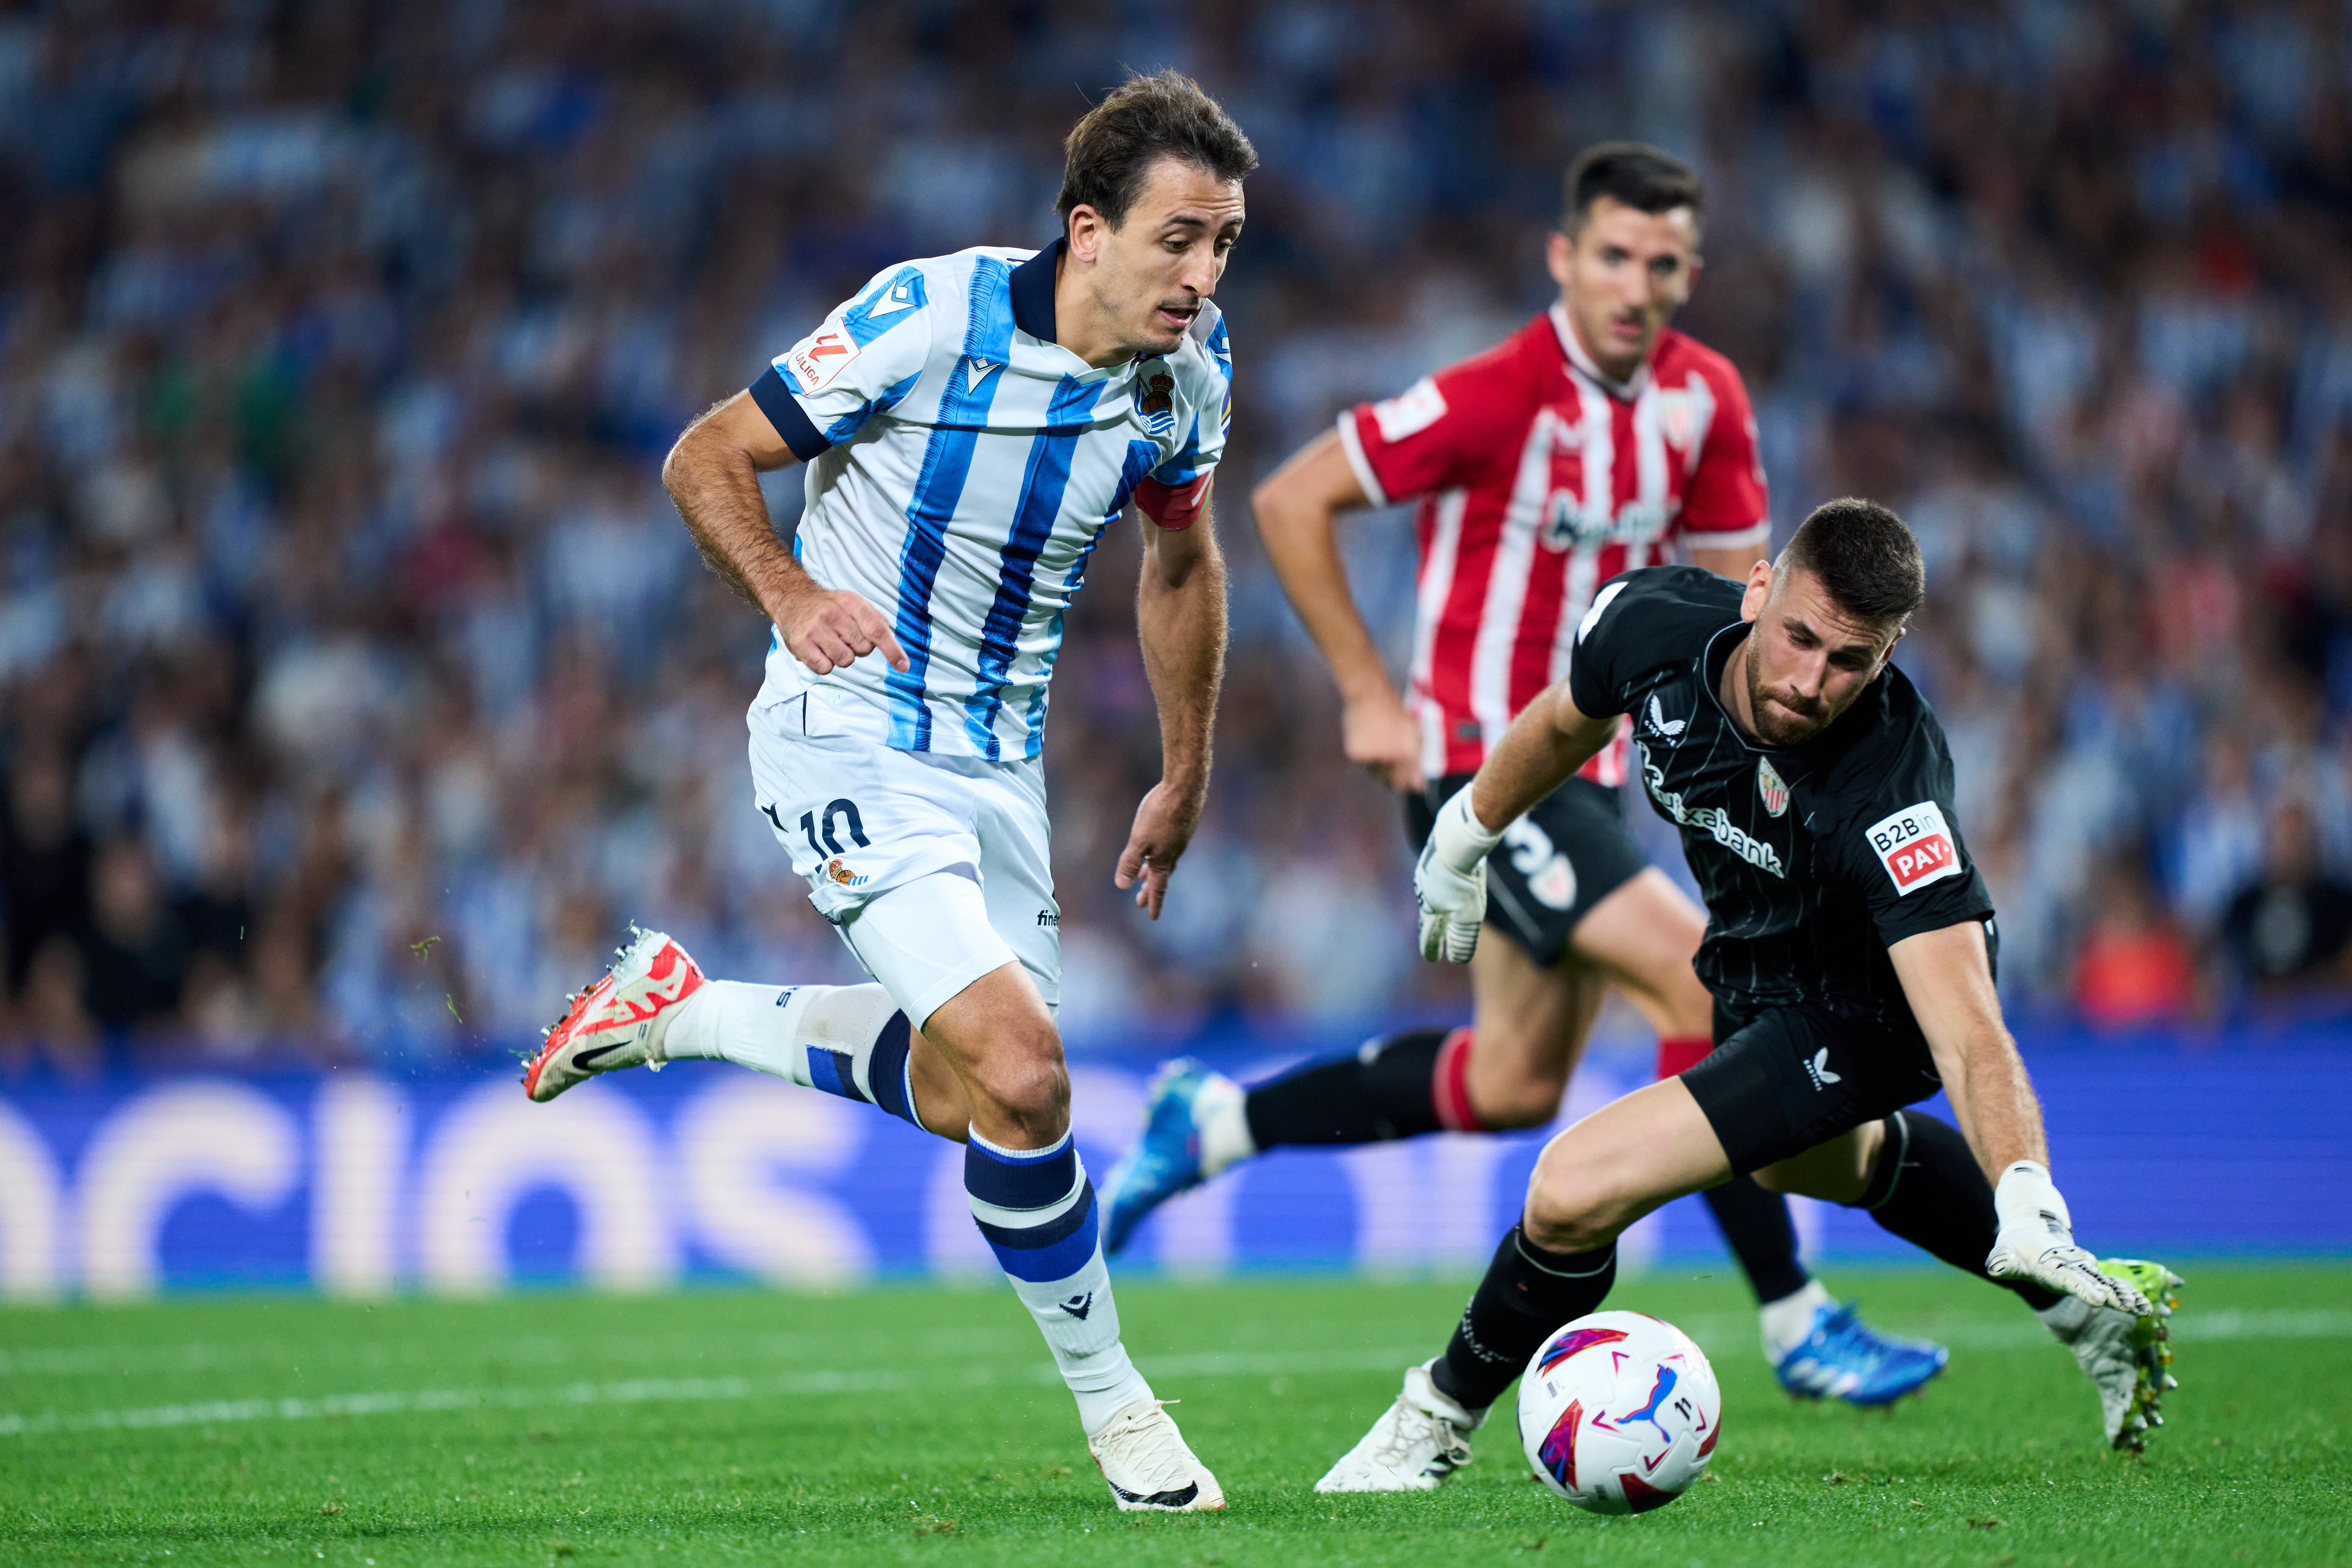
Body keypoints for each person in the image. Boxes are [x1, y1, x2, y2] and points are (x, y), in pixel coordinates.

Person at [1101, 142, 1941, 1405]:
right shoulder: (1498, 393)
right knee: (1690, 978)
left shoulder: (1705, 400)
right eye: (1612, 254)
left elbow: (1733, 608)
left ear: (1688, 274)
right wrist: (1369, 694)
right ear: (1565, 257)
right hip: (1471, 765)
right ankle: (1796, 1313)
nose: (1635, 283)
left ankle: (1212, 1120)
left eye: (1663, 263)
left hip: (1593, 775)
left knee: (1511, 1081)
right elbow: (1290, 498)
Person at [517, 71, 1251, 1513]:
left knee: (973, 1088)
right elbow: (706, 451)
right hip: (843, 726)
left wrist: (1186, 764)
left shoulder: (1189, 379)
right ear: (1088, 230)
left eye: (1226, 242)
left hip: (997, 765)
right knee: (1026, 1070)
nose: (1204, 273)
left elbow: (1181, 564)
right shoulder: (932, 314)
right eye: (1180, 238)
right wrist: (789, 593)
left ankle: (687, 1008)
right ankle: (1127, 1421)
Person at [1313, 501, 2180, 1492]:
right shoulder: (1650, 625)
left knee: (1570, 1190)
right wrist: (1468, 829)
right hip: (1749, 961)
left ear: (1891, 654)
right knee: (1822, 1161)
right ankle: (2090, 1311)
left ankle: (1430, 1418)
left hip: (1864, 1007)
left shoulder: (1891, 789)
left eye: (1849, 661)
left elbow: (1968, 1028)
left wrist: (2027, 1192)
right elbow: (1563, 722)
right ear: (1758, 589)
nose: (1810, 682)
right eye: (1800, 637)